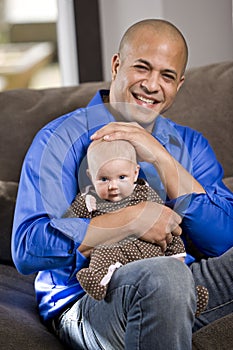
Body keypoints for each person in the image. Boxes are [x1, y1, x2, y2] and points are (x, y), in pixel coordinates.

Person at [12, 18, 233, 350]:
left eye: (167, 76)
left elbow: (224, 241)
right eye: (142, 68)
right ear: (117, 65)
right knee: (165, 277)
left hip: (186, 285)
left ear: (179, 84)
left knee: (171, 278)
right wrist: (132, 219)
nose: (152, 85)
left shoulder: (191, 145)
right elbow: (28, 248)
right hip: (90, 298)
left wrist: (161, 158)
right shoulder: (60, 140)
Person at [64, 138, 208, 315]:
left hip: (150, 251)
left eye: (122, 177)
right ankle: (99, 281)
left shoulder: (145, 192)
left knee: (172, 267)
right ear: (90, 176)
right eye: (103, 179)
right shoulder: (89, 199)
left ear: (135, 173)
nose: (113, 186)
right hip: (115, 250)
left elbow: (164, 223)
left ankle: (189, 298)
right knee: (102, 252)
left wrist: (175, 255)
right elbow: (69, 225)